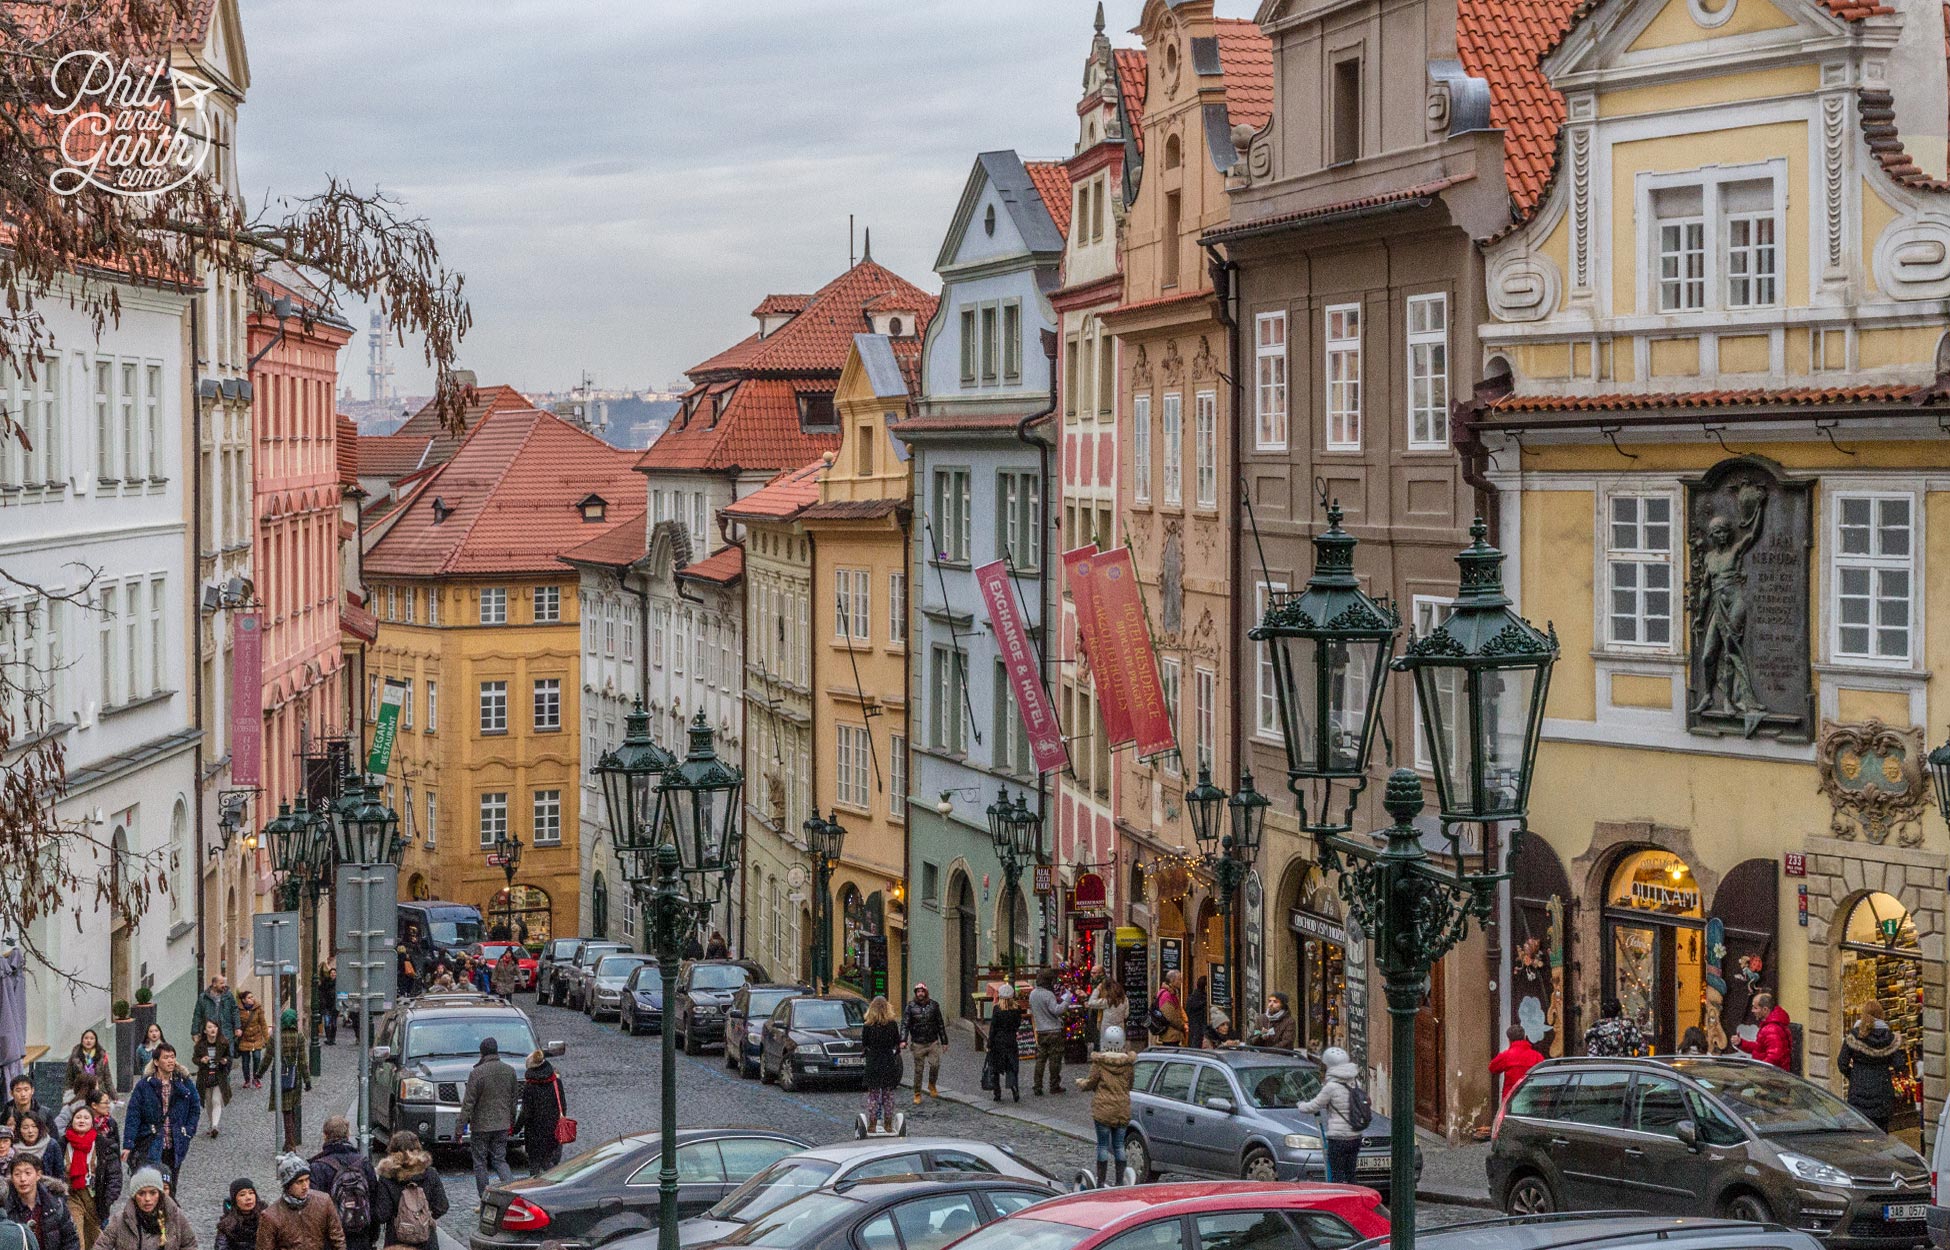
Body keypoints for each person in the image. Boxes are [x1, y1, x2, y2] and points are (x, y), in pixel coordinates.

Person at [45, 1102, 118, 1249]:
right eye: (78, 1117)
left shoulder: (104, 1145)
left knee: (95, 1238)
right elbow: (52, 1173)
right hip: (71, 1195)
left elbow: (115, 1176)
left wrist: (108, 1199)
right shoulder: (62, 1144)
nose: (82, 1120)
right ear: (72, 1121)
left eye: (86, 1118)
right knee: (77, 1237)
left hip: (95, 1197)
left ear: (92, 1122)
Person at [123, 1043, 199, 1183]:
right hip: (152, 1142)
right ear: (156, 1062)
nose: (171, 1060)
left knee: (171, 1185)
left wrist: (188, 1130)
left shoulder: (183, 1082)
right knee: (154, 1184)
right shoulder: (145, 1085)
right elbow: (133, 1115)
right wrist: (128, 1144)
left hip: (175, 1142)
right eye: (166, 1057)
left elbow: (195, 1107)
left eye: (172, 1057)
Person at [456, 1037, 517, 1196]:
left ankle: (485, 1197)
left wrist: (459, 1129)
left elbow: (468, 1104)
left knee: (480, 1163)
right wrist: (512, 1121)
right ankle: (511, 1193)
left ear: (482, 1053)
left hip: (481, 1126)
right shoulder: (509, 1071)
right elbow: (513, 1100)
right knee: (500, 1160)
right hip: (502, 1124)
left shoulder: (477, 1073)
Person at [1076, 1025, 1135, 1188]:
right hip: (1122, 1108)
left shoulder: (1100, 1063)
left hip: (1103, 1109)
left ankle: (1101, 1182)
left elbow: (1091, 1082)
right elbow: (1130, 1084)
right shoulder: (1128, 1064)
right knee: (1119, 1145)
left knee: (1102, 1145)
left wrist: (1081, 1083)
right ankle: (1118, 1181)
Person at [1295, 1046, 1365, 1184]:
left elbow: (1314, 1105)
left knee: (1337, 1175)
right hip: (1355, 1135)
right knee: (1351, 1174)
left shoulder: (1331, 1087)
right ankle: (1353, 1200)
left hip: (1338, 1138)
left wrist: (1300, 1105)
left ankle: (1339, 1202)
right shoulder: (1355, 1082)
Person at [308, 1116, 378, 1250]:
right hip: (361, 1234)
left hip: (331, 1238)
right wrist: (372, 1236)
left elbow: (314, 1209)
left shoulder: (318, 1167)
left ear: (325, 1136)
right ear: (348, 1134)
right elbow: (373, 1201)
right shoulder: (364, 1163)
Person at [1837, 999, 1907, 1130]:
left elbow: (1842, 1063)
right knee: (1881, 1134)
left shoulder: (1855, 1036)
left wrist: (1854, 1075)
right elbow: (1900, 1065)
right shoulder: (1890, 1038)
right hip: (1882, 1094)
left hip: (1858, 1094)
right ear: (1881, 1015)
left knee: (1861, 1133)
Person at [372, 1131, 447, 1250]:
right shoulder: (430, 1174)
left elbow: (382, 1214)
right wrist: (423, 1217)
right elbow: (442, 1206)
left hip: (396, 1241)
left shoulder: (387, 1176)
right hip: (426, 1240)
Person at [257, 1152, 346, 1250]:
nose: (305, 1186)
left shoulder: (324, 1201)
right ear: (287, 1185)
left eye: (307, 1179)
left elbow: (338, 1239)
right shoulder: (271, 1216)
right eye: (299, 1182)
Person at [92, 1167, 192, 1250]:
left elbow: (189, 1244)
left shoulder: (175, 1216)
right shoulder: (120, 1220)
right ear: (134, 1196)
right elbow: (100, 1246)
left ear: (160, 1194)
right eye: (141, 1193)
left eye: (153, 1193)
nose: (147, 1199)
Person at [7, 1151, 81, 1250]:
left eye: (28, 1173)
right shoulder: (5, 1207)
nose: (23, 1179)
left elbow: (71, 1239)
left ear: (38, 1175)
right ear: (11, 1178)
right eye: (17, 1174)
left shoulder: (56, 1204)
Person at [514, 1052, 566, 1176]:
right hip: (552, 1130)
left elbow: (526, 1112)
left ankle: (536, 1189)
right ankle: (555, 1183)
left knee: (535, 1165)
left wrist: (516, 1129)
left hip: (534, 1133)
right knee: (547, 1161)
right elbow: (562, 1107)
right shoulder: (556, 1082)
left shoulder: (530, 1086)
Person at [268, 1010, 311, 1153]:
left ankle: (290, 1143)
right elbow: (303, 1062)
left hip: (280, 1077)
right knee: (291, 1111)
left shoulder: (276, 1037)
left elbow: (267, 1057)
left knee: (285, 1111)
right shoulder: (299, 1037)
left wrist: (258, 1074)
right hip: (294, 1078)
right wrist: (307, 1081)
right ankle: (290, 1143)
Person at [859, 997, 903, 1135]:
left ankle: (872, 1124)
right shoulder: (892, 1025)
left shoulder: (867, 1026)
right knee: (888, 1095)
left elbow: (865, 1044)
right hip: (888, 1063)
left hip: (873, 1063)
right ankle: (888, 1123)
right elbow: (896, 1042)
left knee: (873, 1095)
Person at [900, 984, 947, 1106]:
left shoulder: (934, 1005)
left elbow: (940, 1024)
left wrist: (944, 1041)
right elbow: (905, 1024)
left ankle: (932, 1084)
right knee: (918, 1070)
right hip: (918, 1043)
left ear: (926, 992)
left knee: (935, 1064)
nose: (920, 993)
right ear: (915, 993)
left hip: (932, 1041)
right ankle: (917, 1093)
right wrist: (903, 1040)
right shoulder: (910, 1007)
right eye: (918, 991)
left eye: (922, 991)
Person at [191, 1021, 232, 1139]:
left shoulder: (223, 1042)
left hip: (219, 1076)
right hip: (205, 1077)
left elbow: (229, 1056)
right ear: (205, 1031)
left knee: (216, 1100)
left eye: (215, 1027)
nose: (213, 1029)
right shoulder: (200, 1045)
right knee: (208, 1101)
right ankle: (211, 1124)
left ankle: (215, 1126)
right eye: (209, 1027)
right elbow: (194, 1059)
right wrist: (201, 1060)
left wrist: (225, 1061)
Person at [1028, 969, 1066, 1097]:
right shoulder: (1048, 995)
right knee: (1055, 1060)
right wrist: (1067, 1001)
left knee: (1040, 1060)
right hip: (1053, 1031)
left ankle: (1037, 1085)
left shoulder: (1032, 994)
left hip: (1040, 1030)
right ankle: (1054, 1085)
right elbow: (1056, 1010)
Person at [984, 984, 1023, 1104]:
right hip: (1011, 1041)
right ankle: (1014, 1088)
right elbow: (1017, 1024)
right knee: (1011, 1066)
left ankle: (997, 1093)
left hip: (998, 1042)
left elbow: (993, 1028)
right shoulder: (1017, 1009)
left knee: (996, 1068)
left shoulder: (997, 1009)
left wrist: (989, 1044)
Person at [1488, 1025, 1545, 1105]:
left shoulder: (1506, 1056)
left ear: (1509, 1040)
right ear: (1525, 1037)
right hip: (1532, 1097)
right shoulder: (1537, 1056)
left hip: (1511, 1098)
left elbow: (1492, 1068)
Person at [1736, 992, 1793, 1070]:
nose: (1752, 1011)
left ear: (1765, 1009)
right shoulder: (1771, 1026)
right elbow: (1760, 1048)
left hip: (1771, 1078)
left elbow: (1774, 1056)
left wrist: (1759, 1071)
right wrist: (1741, 1043)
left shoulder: (1771, 1029)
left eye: (1755, 1008)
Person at [191, 975, 240, 1056]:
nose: (224, 985)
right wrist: (195, 1032)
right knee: (212, 1058)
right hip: (210, 1034)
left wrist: (237, 1027)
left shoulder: (228, 996)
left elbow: (235, 1011)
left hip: (226, 1032)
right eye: (221, 983)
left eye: (224, 983)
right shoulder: (203, 998)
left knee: (228, 1057)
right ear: (214, 984)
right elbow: (197, 1015)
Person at [66, 1032, 114, 1103]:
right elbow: (69, 1078)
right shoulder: (75, 1056)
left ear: (95, 1040)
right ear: (82, 1040)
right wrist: (67, 1096)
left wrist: (114, 1096)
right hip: (81, 1092)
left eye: (92, 1038)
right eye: (86, 1038)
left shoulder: (102, 1056)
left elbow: (107, 1077)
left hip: (99, 1091)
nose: (88, 1041)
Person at [236, 991, 269, 1089]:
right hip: (244, 1039)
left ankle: (256, 1078)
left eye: (252, 997)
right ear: (244, 1000)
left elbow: (263, 1024)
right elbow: (236, 1023)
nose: (252, 999)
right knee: (245, 1062)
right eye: (249, 998)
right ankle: (247, 1080)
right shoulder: (238, 1010)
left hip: (256, 1038)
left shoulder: (258, 1008)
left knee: (257, 1058)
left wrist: (267, 1039)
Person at [214, 1179, 260, 1250]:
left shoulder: (266, 1218)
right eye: (242, 1194)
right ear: (234, 1200)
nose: (248, 1198)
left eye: (251, 1193)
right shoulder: (227, 1225)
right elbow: (221, 1247)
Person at [1086, 977, 1128, 1042]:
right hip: (1120, 1030)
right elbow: (1126, 1015)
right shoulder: (1124, 999)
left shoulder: (1107, 1001)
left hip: (1106, 1031)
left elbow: (1091, 1003)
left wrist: (1097, 989)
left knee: (1106, 1049)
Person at [1153, 972, 1188, 1046]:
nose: (1181, 982)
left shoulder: (1173, 993)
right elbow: (1170, 1016)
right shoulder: (1166, 995)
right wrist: (1182, 1025)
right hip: (1170, 1035)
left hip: (1173, 1034)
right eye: (1179, 979)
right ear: (1172, 980)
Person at [315, 961, 339, 1047]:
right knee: (327, 1022)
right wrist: (323, 1002)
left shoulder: (338, 983)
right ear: (329, 974)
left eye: (334, 973)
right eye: (331, 973)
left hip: (335, 1006)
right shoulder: (325, 982)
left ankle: (333, 1038)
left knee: (334, 1023)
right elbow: (321, 992)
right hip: (326, 1006)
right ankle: (329, 1039)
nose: (333, 974)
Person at [1187, 976, 1210, 1051]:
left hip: (1192, 1026)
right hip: (1200, 1027)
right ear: (1206, 987)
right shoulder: (1205, 999)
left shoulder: (1192, 997)